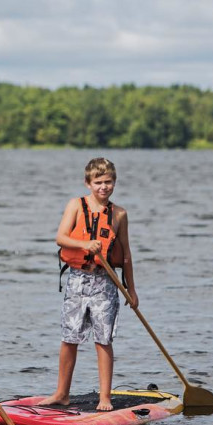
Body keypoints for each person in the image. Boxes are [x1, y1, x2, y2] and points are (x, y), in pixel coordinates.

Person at [39, 157, 138, 411]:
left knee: (103, 339)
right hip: (77, 280)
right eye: (98, 182)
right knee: (69, 337)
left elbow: (125, 254)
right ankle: (62, 393)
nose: (104, 187)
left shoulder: (119, 214)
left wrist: (131, 289)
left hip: (105, 283)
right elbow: (60, 237)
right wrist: (85, 244)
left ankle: (105, 397)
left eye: (109, 182)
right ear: (88, 183)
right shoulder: (75, 205)